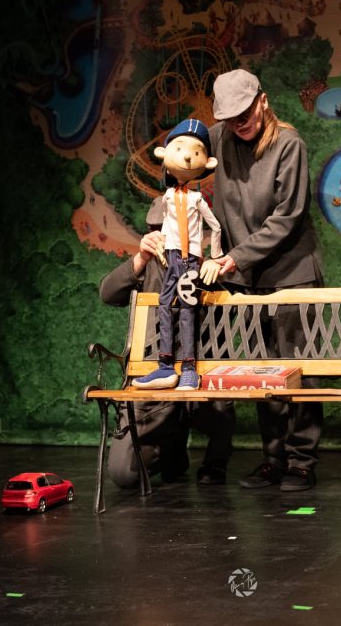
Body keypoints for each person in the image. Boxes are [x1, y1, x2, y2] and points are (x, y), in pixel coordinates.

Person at [203, 68, 326, 492]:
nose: (240, 123)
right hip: (247, 278)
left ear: (263, 101)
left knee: (299, 370)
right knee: (263, 373)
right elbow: (182, 156)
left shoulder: (288, 144)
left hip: (292, 272)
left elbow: (287, 217)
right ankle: (273, 460)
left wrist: (234, 258)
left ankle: (302, 461)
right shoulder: (220, 138)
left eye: (245, 112)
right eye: (230, 117)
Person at [99, 197, 235, 486]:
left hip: (198, 376)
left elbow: (235, 310)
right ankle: (171, 450)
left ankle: (214, 462)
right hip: (155, 380)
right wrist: (140, 259)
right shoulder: (149, 266)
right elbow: (108, 293)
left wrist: (212, 269)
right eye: (160, 229)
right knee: (124, 474)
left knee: (220, 409)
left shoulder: (203, 263)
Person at [131, 118, 223, 390]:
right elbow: (167, 226)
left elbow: (215, 226)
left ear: (208, 162)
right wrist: (160, 243)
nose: (187, 156)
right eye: (180, 148)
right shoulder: (168, 197)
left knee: (187, 308)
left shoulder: (196, 199)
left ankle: (189, 369)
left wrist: (215, 256)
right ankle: (165, 366)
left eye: (195, 152)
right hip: (171, 258)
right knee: (164, 303)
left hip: (190, 259)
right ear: (164, 153)